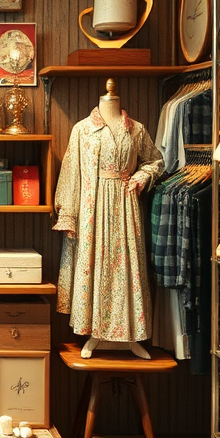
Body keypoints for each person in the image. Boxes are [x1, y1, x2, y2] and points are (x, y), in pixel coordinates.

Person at [53, 81, 162, 360]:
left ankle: (129, 334)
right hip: (93, 208)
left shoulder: (136, 129)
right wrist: (68, 212)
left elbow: (156, 161)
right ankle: (95, 332)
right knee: (96, 264)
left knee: (128, 266)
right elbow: (70, 172)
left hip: (126, 205)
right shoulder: (82, 129)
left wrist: (141, 176)